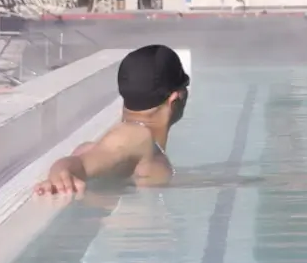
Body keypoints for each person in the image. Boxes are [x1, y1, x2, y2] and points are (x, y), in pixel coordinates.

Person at [34, 44, 190, 195]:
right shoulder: (135, 136)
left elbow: (94, 154)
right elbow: (83, 162)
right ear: (175, 98)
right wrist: (62, 169)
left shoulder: (138, 144)